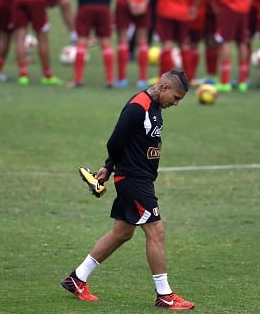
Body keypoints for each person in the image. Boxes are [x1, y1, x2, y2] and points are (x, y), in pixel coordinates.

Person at [61, 69, 194, 311]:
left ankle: (77, 279)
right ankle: (164, 295)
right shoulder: (137, 106)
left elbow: (130, 141)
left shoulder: (154, 107)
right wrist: (112, 166)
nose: (175, 103)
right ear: (164, 87)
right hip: (134, 181)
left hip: (138, 178)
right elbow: (115, 141)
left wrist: (109, 166)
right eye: (175, 97)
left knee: (122, 233)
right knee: (157, 232)